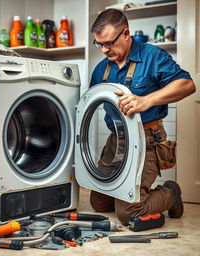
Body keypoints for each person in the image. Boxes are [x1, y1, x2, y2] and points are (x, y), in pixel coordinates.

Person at [89, 8, 196, 226]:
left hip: (147, 137)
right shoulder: (101, 69)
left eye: (109, 43)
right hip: (116, 139)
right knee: (98, 204)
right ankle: (127, 194)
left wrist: (146, 100)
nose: (104, 50)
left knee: (129, 214)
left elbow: (187, 84)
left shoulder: (152, 56)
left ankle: (170, 193)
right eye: (99, 44)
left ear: (126, 34)